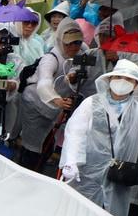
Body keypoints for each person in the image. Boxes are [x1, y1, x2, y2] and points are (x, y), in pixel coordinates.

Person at [61, 60, 138, 216]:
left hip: (117, 178)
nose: (122, 82)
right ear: (109, 79)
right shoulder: (91, 103)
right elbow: (75, 132)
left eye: (129, 79)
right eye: (118, 77)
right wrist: (71, 160)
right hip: (86, 173)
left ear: (136, 84)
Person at [15, 23, 87, 171]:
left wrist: (73, 80)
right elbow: (44, 84)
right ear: (61, 41)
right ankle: (25, 172)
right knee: (34, 146)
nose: (74, 46)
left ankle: (36, 173)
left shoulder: (80, 54)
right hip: (35, 102)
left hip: (56, 107)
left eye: (78, 42)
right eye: (70, 43)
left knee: (47, 146)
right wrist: (57, 100)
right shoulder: (50, 58)